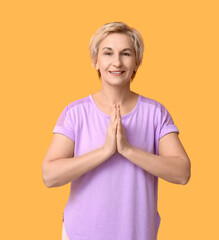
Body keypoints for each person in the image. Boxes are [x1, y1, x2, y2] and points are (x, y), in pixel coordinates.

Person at [42, 22, 191, 240]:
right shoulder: (75, 113)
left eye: (126, 53)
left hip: (137, 234)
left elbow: (182, 173)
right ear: (95, 61)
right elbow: (49, 176)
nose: (117, 62)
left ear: (137, 62)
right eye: (108, 53)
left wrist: (128, 150)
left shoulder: (155, 113)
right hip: (80, 234)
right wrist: (104, 151)